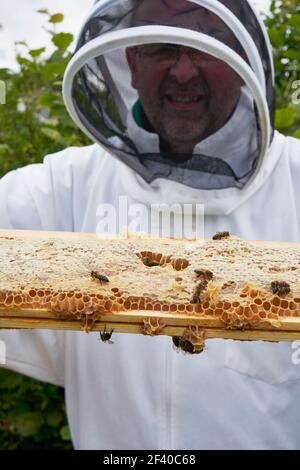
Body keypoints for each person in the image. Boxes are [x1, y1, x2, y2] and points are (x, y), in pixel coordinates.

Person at [1, 0, 300, 450]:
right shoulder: (61, 189)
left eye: (206, 45)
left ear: (243, 60)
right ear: (130, 60)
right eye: (161, 47)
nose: (183, 71)